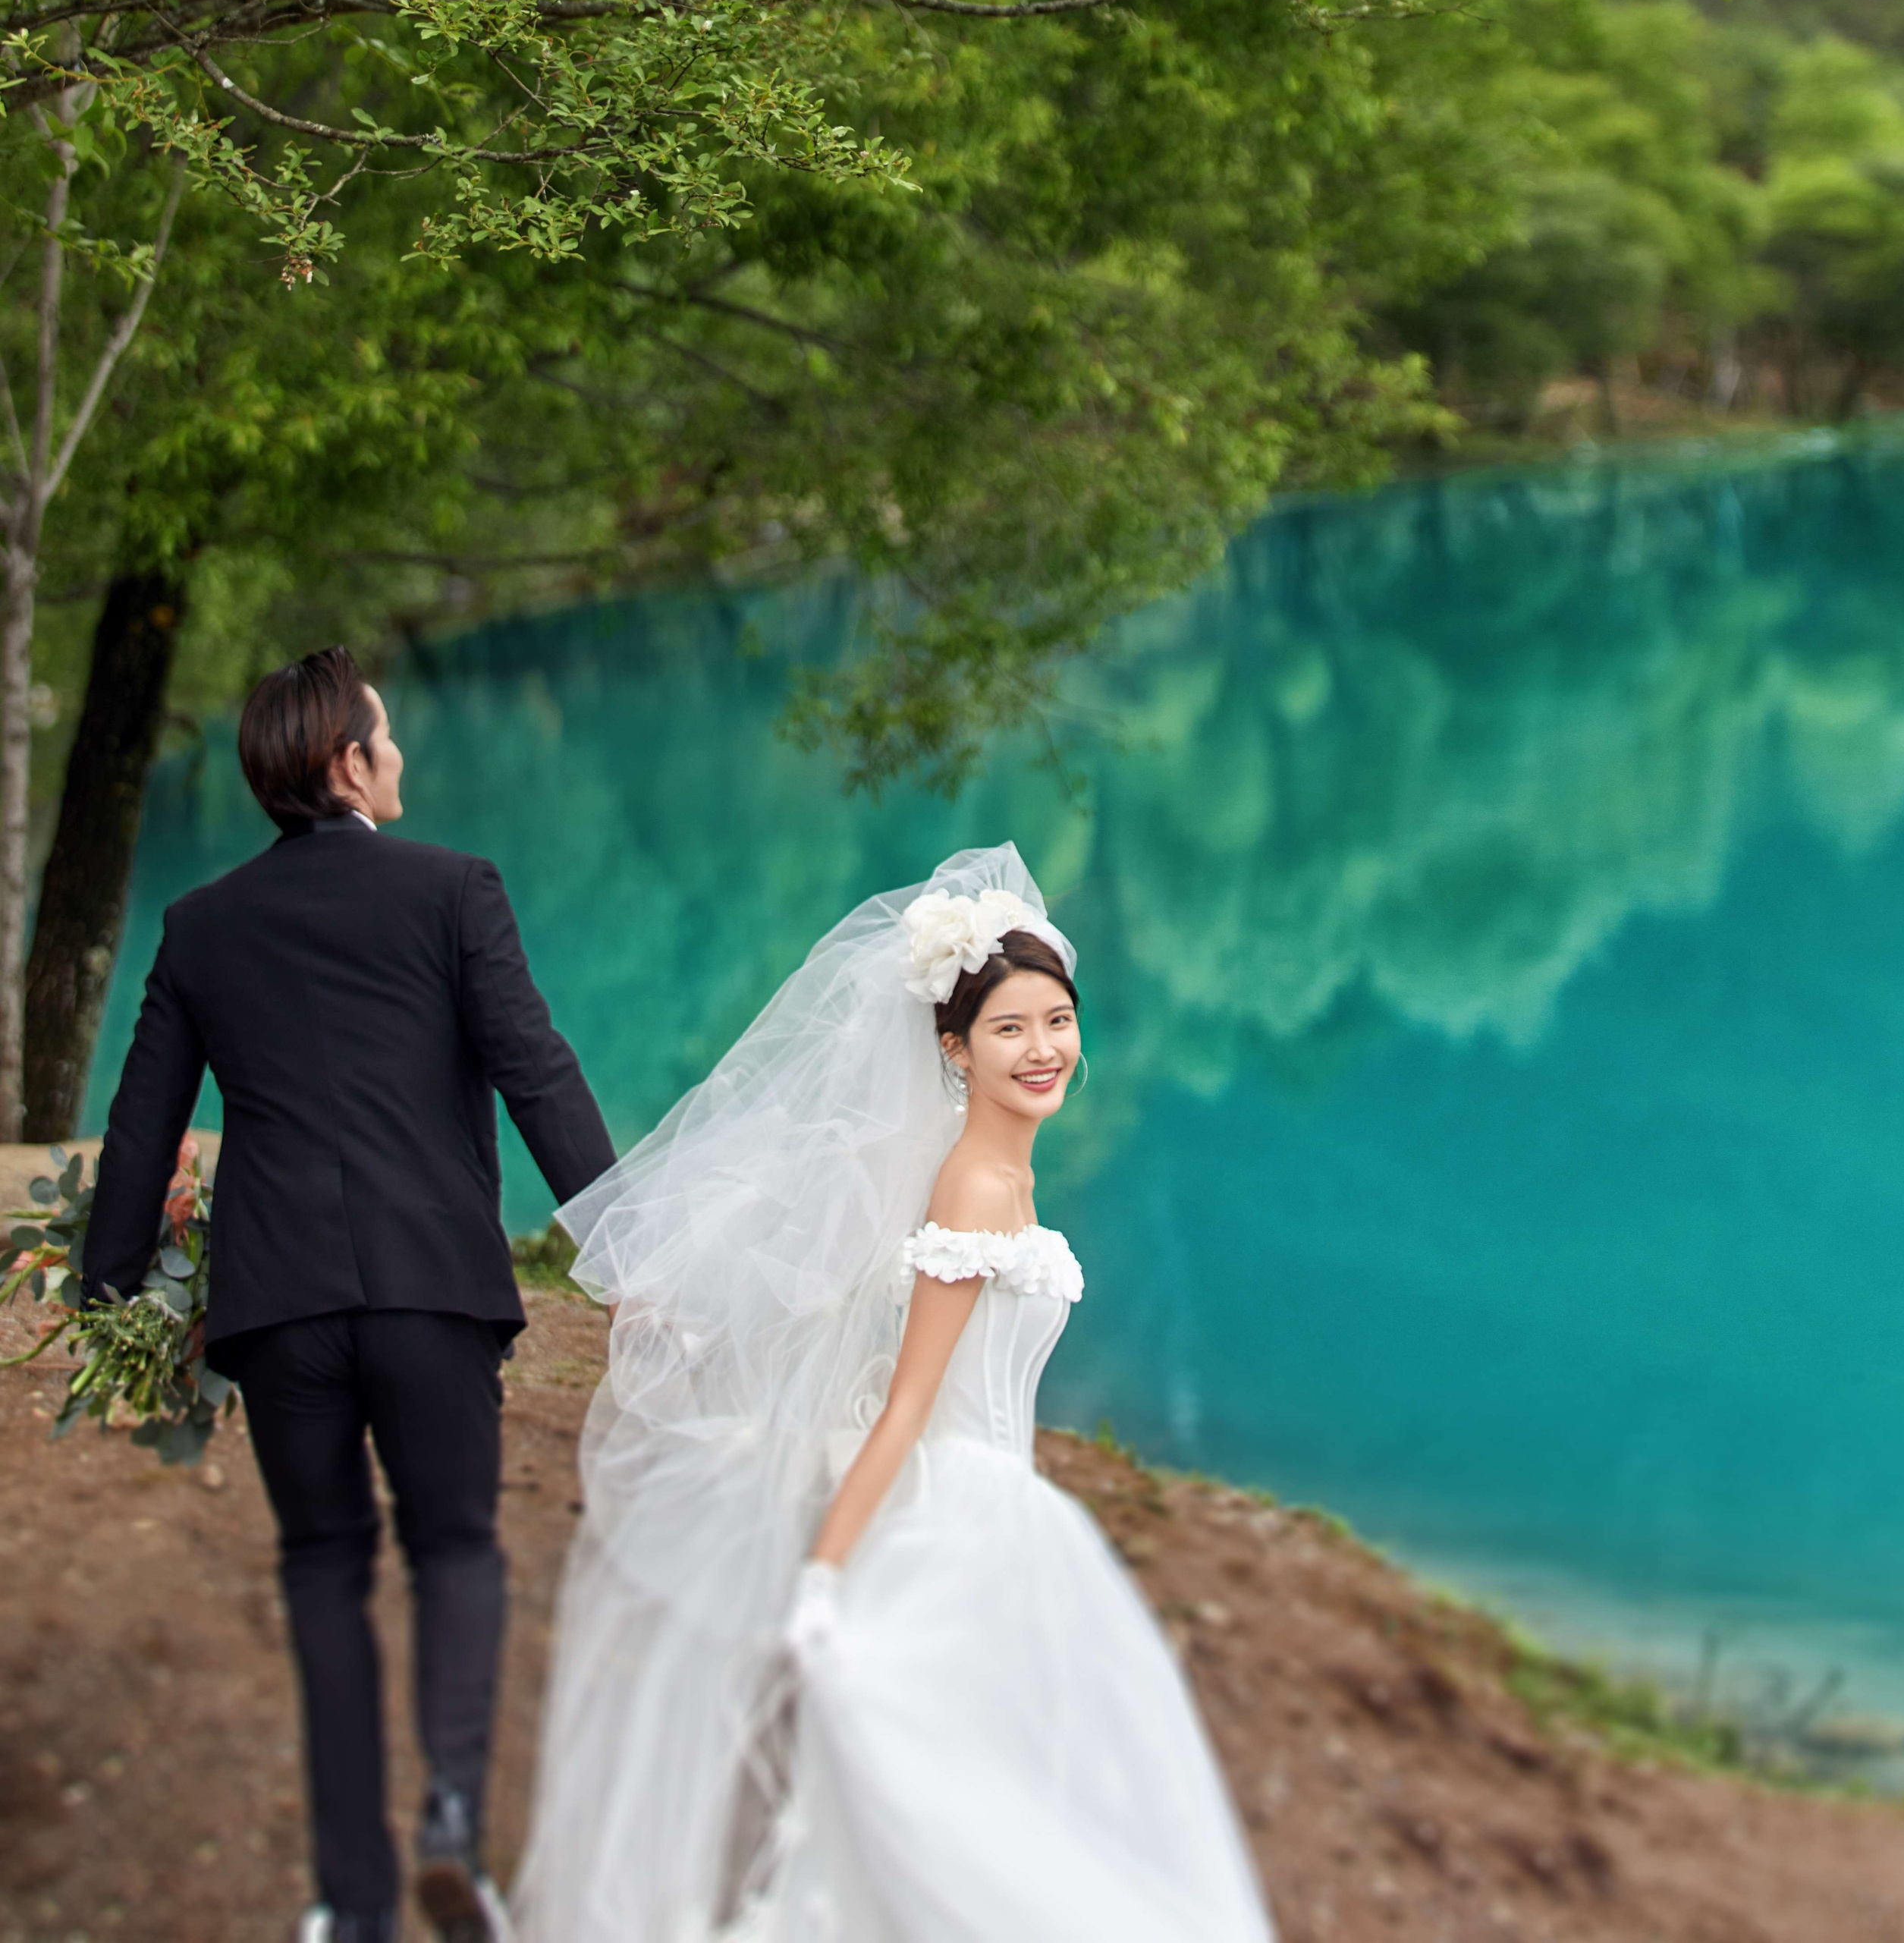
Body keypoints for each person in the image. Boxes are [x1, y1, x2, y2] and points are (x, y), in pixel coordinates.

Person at [514, 844, 1274, 1943]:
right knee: (962, 1832)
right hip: (950, 1521)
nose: (1044, 1048)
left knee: (1013, 1811)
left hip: (1011, 1518)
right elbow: (909, 1404)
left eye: (1057, 1020)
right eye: (1010, 1029)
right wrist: (824, 1578)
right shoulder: (969, 1186)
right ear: (956, 1052)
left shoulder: (1010, 1175)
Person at [83, 646, 617, 1943]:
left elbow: (142, 1125)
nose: (399, 761)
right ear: (347, 764)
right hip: (433, 1288)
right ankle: (447, 1817)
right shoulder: (453, 891)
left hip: (280, 1311)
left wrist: (110, 1291)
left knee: (323, 1565)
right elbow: (533, 1071)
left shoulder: (202, 925)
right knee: (455, 1548)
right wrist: (628, 1241)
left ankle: (354, 1903)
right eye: (385, 741)